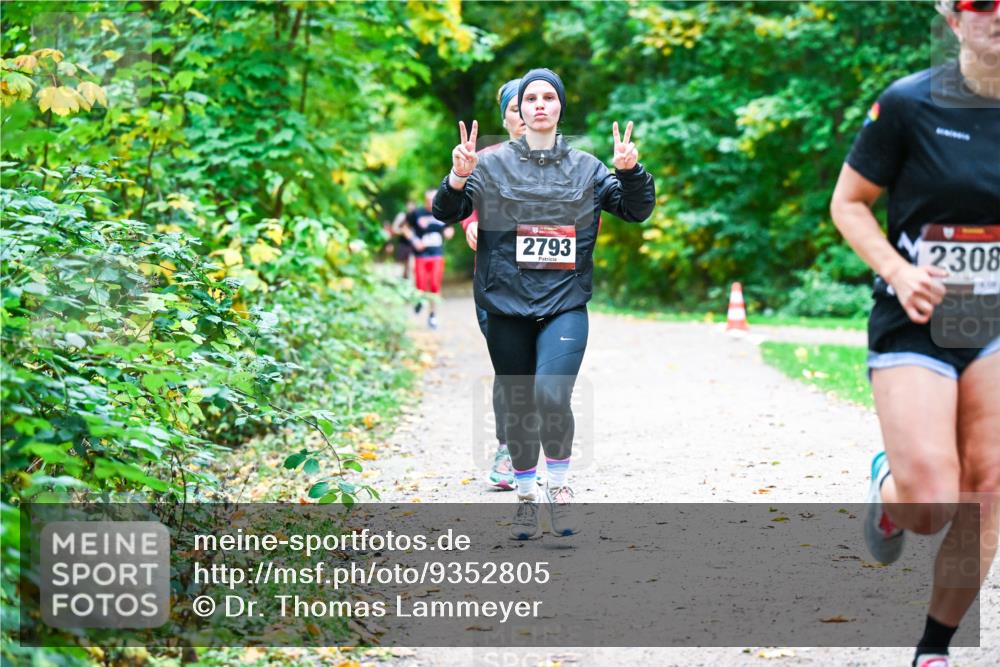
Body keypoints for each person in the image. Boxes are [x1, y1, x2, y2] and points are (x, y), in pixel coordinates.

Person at [830, 3, 999, 666]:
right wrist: (898, 271)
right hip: (920, 318)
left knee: (988, 486)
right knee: (933, 499)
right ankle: (891, 491)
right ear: (953, 19)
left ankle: (935, 648)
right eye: (978, 0)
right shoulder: (908, 104)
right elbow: (849, 203)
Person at [433, 68, 655, 539]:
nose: (538, 104)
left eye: (548, 97)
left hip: (563, 302)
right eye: (530, 97)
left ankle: (559, 489)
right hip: (505, 303)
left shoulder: (587, 168)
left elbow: (635, 210)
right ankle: (526, 497)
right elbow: (446, 211)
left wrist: (630, 171)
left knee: (551, 395)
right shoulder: (490, 165)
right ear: (519, 109)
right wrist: (457, 177)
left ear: (559, 108)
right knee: (517, 405)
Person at [460, 78, 526, 491]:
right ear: (504, 116)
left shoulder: (567, 161)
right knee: (510, 367)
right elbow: (462, 203)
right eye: (516, 106)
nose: (525, 114)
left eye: (536, 102)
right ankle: (510, 447)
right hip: (497, 283)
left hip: (553, 284)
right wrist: (470, 225)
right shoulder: (483, 159)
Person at [402, 189, 454, 329]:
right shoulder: (416, 213)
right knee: (420, 285)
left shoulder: (443, 213)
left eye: (434, 199)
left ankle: (432, 316)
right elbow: (405, 228)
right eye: (428, 200)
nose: (431, 202)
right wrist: (414, 240)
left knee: (435, 287)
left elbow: (449, 229)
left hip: (437, 254)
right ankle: (419, 300)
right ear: (425, 200)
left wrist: (449, 233)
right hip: (421, 255)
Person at [390, 201, 416, 280]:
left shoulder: (417, 216)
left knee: (411, 265)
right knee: (401, 264)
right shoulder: (402, 216)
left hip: (413, 243)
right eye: (409, 206)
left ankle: (409, 282)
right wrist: (403, 231)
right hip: (403, 243)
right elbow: (394, 229)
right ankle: (401, 280)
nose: (410, 208)